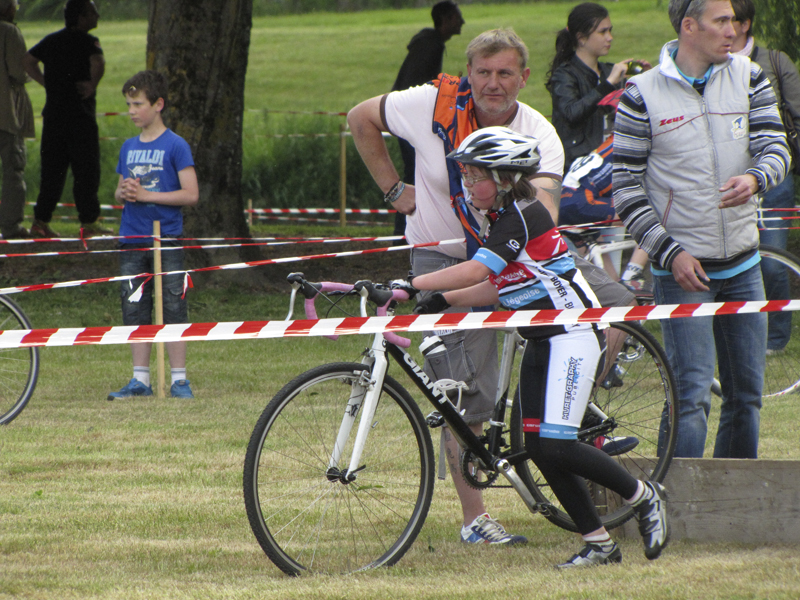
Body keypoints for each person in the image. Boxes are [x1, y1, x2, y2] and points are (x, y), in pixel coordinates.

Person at [348, 28, 634, 545]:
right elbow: (360, 117)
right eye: (483, 72)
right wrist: (394, 190)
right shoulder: (432, 104)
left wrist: (507, 256)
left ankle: (571, 406)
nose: (493, 83)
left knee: (616, 304)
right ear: (468, 73)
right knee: (466, 396)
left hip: (512, 252)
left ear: (524, 78)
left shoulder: (538, 131)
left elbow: (538, 220)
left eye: (505, 73)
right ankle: (475, 518)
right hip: (441, 255)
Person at [403, 127, 669, 568]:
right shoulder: (500, 217)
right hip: (541, 340)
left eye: (474, 176)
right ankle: (600, 544)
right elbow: (496, 286)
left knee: (558, 444)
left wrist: (408, 284)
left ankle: (643, 495)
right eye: (465, 176)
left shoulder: (524, 214)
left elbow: (475, 270)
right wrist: (440, 298)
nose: (467, 185)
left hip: (574, 335)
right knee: (540, 447)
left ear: (506, 178)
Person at [613, 0, 791, 459]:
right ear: (689, 27)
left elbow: (776, 146)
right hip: (682, 272)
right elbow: (626, 190)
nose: (732, 30)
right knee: (690, 396)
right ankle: (675, 504)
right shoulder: (640, 93)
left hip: (745, 266)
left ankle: (730, 504)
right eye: (721, 21)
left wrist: (757, 178)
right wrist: (670, 253)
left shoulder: (749, 75)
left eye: (733, 20)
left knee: (746, 396)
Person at [107, 70, 199, 401]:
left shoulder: (176, 145)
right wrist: (126, 193)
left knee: (174, 306)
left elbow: (190, 194)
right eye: (128, 104)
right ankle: (139, 380)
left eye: (137, 104)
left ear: (158, 104)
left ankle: (179, 380)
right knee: (135, 308)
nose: (131, 110)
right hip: (132, 238)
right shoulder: (129, 147)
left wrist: (148, 196)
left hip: (166, 238)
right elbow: (119, 192)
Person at [730, 0, 800, 354]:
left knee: (772, 260)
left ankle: (776, 338)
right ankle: (740, 335)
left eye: (730, 20)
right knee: (733, 260)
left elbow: (797, 113)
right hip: (729, 177)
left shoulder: (775, 61)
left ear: (744, 24)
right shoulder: (712, 65)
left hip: (773, 175)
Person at [21, 0, 112, 239]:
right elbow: (99, 62)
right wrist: (92, 85)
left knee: (52, 171)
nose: (98, 15)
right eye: (93, 12)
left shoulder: (51, 40)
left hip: (53, 117)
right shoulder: (88, 42)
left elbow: (28, 60)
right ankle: (89, 222)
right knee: (86, 170)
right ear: (81, 17)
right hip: (80, 117)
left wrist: (45, 83)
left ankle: (40, 221)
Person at [558, 89, 651, 297]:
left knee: (599, 256)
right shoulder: (627, 144)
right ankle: (633, 275)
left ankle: (618, 293)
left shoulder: (608, 143)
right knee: (657, 216)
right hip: (582, 201)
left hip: (567, 201)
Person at [391, 0, 464, 242]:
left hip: (411, 120)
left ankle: (405, 233)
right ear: (444, 20)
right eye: (456, 17)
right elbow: (417, 87)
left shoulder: (430, 44)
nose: (462, 22)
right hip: (413, 122)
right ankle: (405, 234)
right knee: (418, 175)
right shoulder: (430, 46)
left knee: (417, 174)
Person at [546, 2, 650, 168]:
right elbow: (572, 114)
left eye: (610, 30)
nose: (610, 37)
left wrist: (646, 79)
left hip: (613, 162)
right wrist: (608, 84)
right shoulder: (564, 75)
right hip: (578, 168)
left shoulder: (611, 71)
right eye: (602, 32)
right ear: (581, 38)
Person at [0, 0, 34, 240]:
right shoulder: (9, 32)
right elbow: (19, 72)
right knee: (13, 169)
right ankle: (11, 225)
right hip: (5, 113)